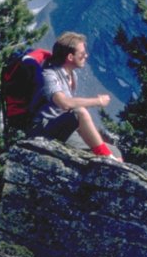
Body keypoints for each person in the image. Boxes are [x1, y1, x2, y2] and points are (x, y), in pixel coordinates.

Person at [30, 31, 121, 160]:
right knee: (79, 112)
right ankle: (107, 159)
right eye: (82, 54)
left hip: (62, 128)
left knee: (115, 150)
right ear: (70, 57)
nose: (86, 56)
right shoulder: (49, 75)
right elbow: (64, 103)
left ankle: (113, 164)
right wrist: (98, 101)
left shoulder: (73, 76)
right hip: (44, 129)